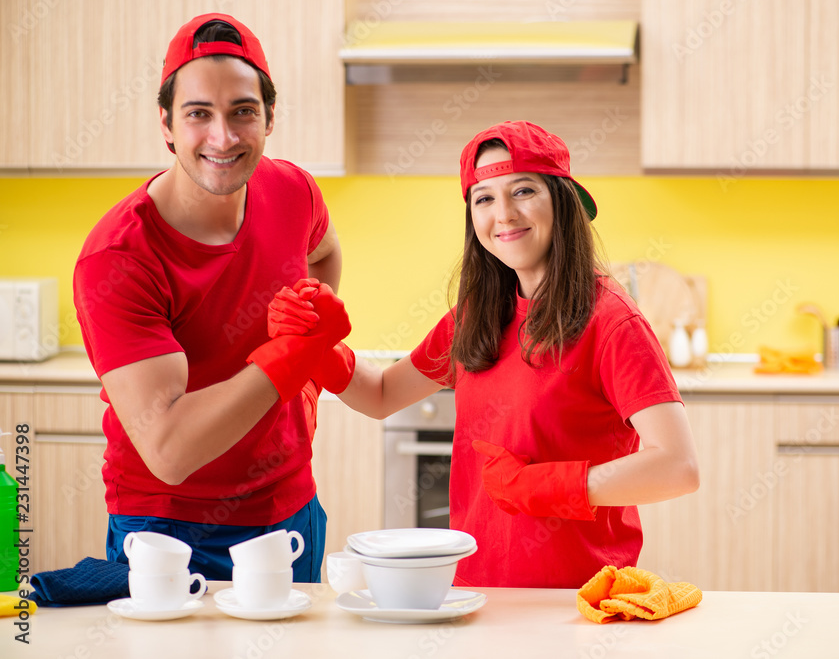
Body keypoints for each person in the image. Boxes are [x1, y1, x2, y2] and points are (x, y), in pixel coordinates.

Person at [269, 120, 699, 588]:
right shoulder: (478, 314)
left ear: (562, 201)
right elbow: (381, 394)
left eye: (523, 190)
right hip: (477, 591)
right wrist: (316, 345)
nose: (505, 213)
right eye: (485, 198)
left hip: (576, 598)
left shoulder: (611, 322)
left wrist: (546, 487)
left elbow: (677, 467)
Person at [72, 13, 350, 583]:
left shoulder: (293, 189)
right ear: (167, 125)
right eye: (199, 113)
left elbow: (324, 253)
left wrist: (308, 350)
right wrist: (291, 358)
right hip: (169, 530)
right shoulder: (120, 258)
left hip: (290, 509)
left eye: (243, 111)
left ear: (270, 118)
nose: (222, 137)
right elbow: (169, 451)